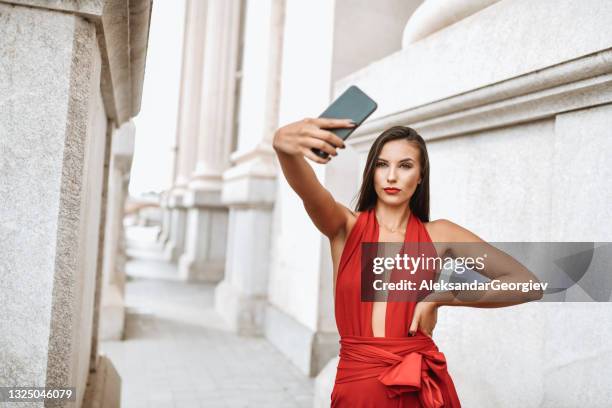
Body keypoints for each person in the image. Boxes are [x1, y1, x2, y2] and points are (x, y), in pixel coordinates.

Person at [272, 117, 544, 407]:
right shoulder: (344, 227)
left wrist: (443, 296)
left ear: (420, 176)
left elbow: (528, 284)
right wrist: (283, 147)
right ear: (371, 172)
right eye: (381, 164)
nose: (391, 177)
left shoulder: (441, 235)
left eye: (405, 166)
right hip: (358, 390)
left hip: (418, 390)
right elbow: (307, 189)